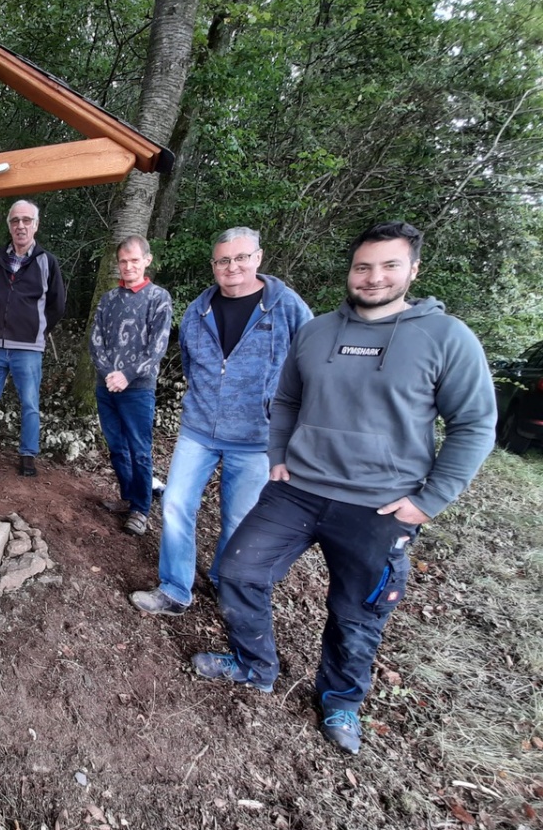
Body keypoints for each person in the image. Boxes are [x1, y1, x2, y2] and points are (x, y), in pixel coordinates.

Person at [191, 222, 496, 755]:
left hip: (381, 503)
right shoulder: (317, 332)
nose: (374, 277)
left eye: (389, 266)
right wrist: (279, 455)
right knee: (238, 570)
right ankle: (253, 664)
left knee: (357, 613)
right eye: (363, 266)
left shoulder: (446, 338)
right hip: (298, 489)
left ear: (413, 270)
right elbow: (285, 400)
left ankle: (340, 700)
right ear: (350, 271)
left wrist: (429, 500)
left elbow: (473, 424)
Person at [131, 228, 312, 616]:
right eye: (223, 260)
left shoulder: (288, 307)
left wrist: (292, 424)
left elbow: (311, 367)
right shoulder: (199, 310)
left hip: (257, 435)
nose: (233, 267)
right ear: (214, 266)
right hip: (199, 429)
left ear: (258, 258)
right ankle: (175, 589)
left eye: (241, 258)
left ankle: (224, 581)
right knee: (177, 503)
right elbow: (194, 363)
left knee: (239, 517)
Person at [89, 236, 173, 536]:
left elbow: (157, 347)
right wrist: (109, 373)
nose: (128, 266)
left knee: (139, 450)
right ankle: (128, 498)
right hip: (106, 386)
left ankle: (141, 508)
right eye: (123, 261)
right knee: (116, 447)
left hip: (138, 388)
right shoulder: (109, 299)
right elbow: (96, 340)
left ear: (147, 261)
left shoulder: (158, 298)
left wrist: (126, 374)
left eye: (134, 260)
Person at [0, 200, 67, 477]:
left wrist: (38, 331)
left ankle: (28, 455)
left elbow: (57, 304)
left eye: (26, 220)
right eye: (15, 220)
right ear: (9, 225)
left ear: (36, 225)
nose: (21, 225)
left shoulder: (47, 261)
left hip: (28, 348)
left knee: (30, 403)